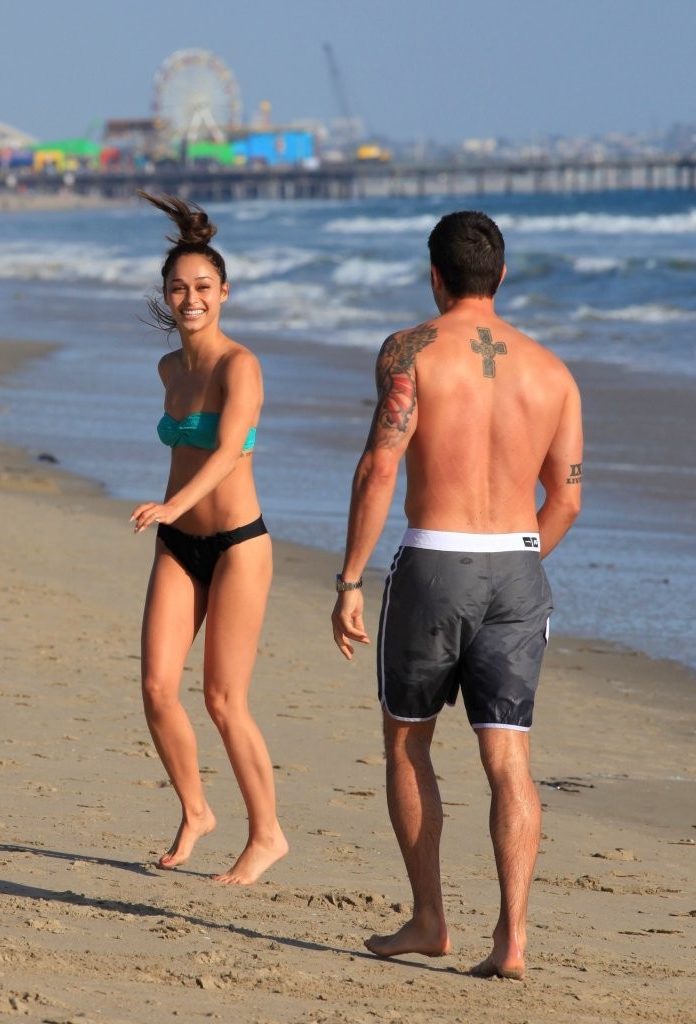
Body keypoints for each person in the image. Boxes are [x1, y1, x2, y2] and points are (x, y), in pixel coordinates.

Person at [331, 211, 582, 979]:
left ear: (434, 276)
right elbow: (568, 500)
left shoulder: (409, 352)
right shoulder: (552, 373)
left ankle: (430, 918)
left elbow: (380, 466)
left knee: (409, 741)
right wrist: (515, 558)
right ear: (501, 277)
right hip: (517, 566)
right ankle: (512, 940)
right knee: (510, 760)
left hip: (434, 565)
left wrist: (347, 578)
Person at [131, 191, 287, 884]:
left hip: (237, 547)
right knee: (157, 688)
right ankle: (197, 810)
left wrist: (171, 506)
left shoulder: (239, 366)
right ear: (166, 296)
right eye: (178, 288)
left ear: (224, 292)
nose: (190, 298)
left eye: (202, 287)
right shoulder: (170, 370)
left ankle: (268, 835)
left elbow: (226, 453)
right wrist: (173, 518)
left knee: (224, 699)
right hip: (180, 546)